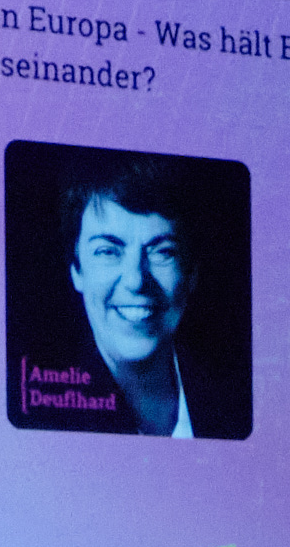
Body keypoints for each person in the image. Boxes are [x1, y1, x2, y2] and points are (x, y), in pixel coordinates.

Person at [31, 154, 241, 437]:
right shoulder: (42, 416)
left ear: (192, 274)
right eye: (108, 251)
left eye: (162, 251)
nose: (136, 280)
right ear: (76, 269)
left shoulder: (235, 405)